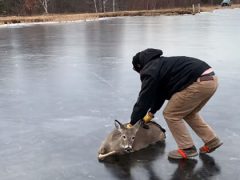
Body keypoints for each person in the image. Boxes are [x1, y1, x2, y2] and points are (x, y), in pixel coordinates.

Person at [127, 48, 223, 159]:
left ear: (140, 65)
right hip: (211, 81)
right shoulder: (160, 64)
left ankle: (187, 149)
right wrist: (151, 113)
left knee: (171, 114)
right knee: (190, 113)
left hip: (197, 82)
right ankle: (212, 140)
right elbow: (160, 94)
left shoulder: (150, 70)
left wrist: (133, 122)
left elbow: (144, 99)